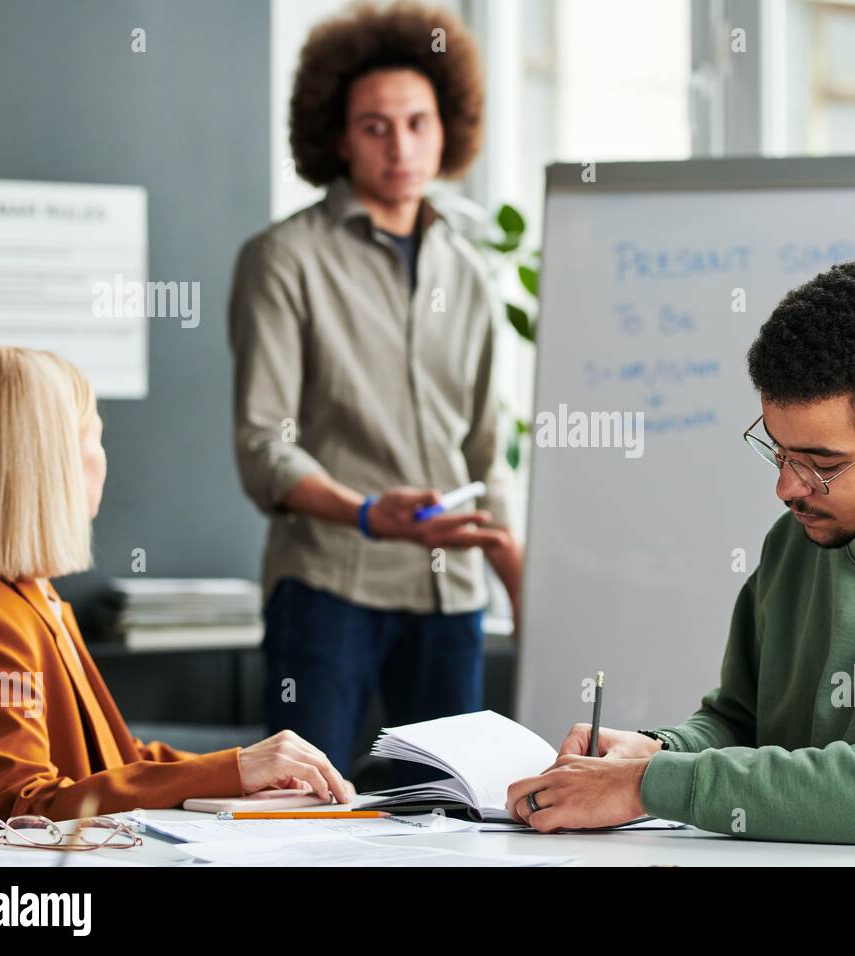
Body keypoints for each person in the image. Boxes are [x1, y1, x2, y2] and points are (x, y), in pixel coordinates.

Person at [504, 261, 855, 844]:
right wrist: (657, 750)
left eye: (823, 464)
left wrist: (645, 784)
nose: (787, 488)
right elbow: (742, 723)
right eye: (777, 451)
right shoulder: (801, 537)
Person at [229, 2, 521, 778]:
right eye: (375, 126)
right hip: (328, 589)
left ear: (447, 128)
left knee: (457, 816)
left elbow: (488, 450)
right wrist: (365, 512)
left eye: (418, 122)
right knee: (301, 807)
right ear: (335, 135)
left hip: (450, 595)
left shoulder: (469, 269)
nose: (401, 146)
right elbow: (265, 449)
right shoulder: (282, 259)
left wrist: (523, 579)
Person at [0, 347, 354, 834]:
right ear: (51, 464)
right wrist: (234, 770)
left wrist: (240, 773)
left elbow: (113, 761)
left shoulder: (30, 597)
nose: (103, 457)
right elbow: (9, 810)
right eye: (95, 436)